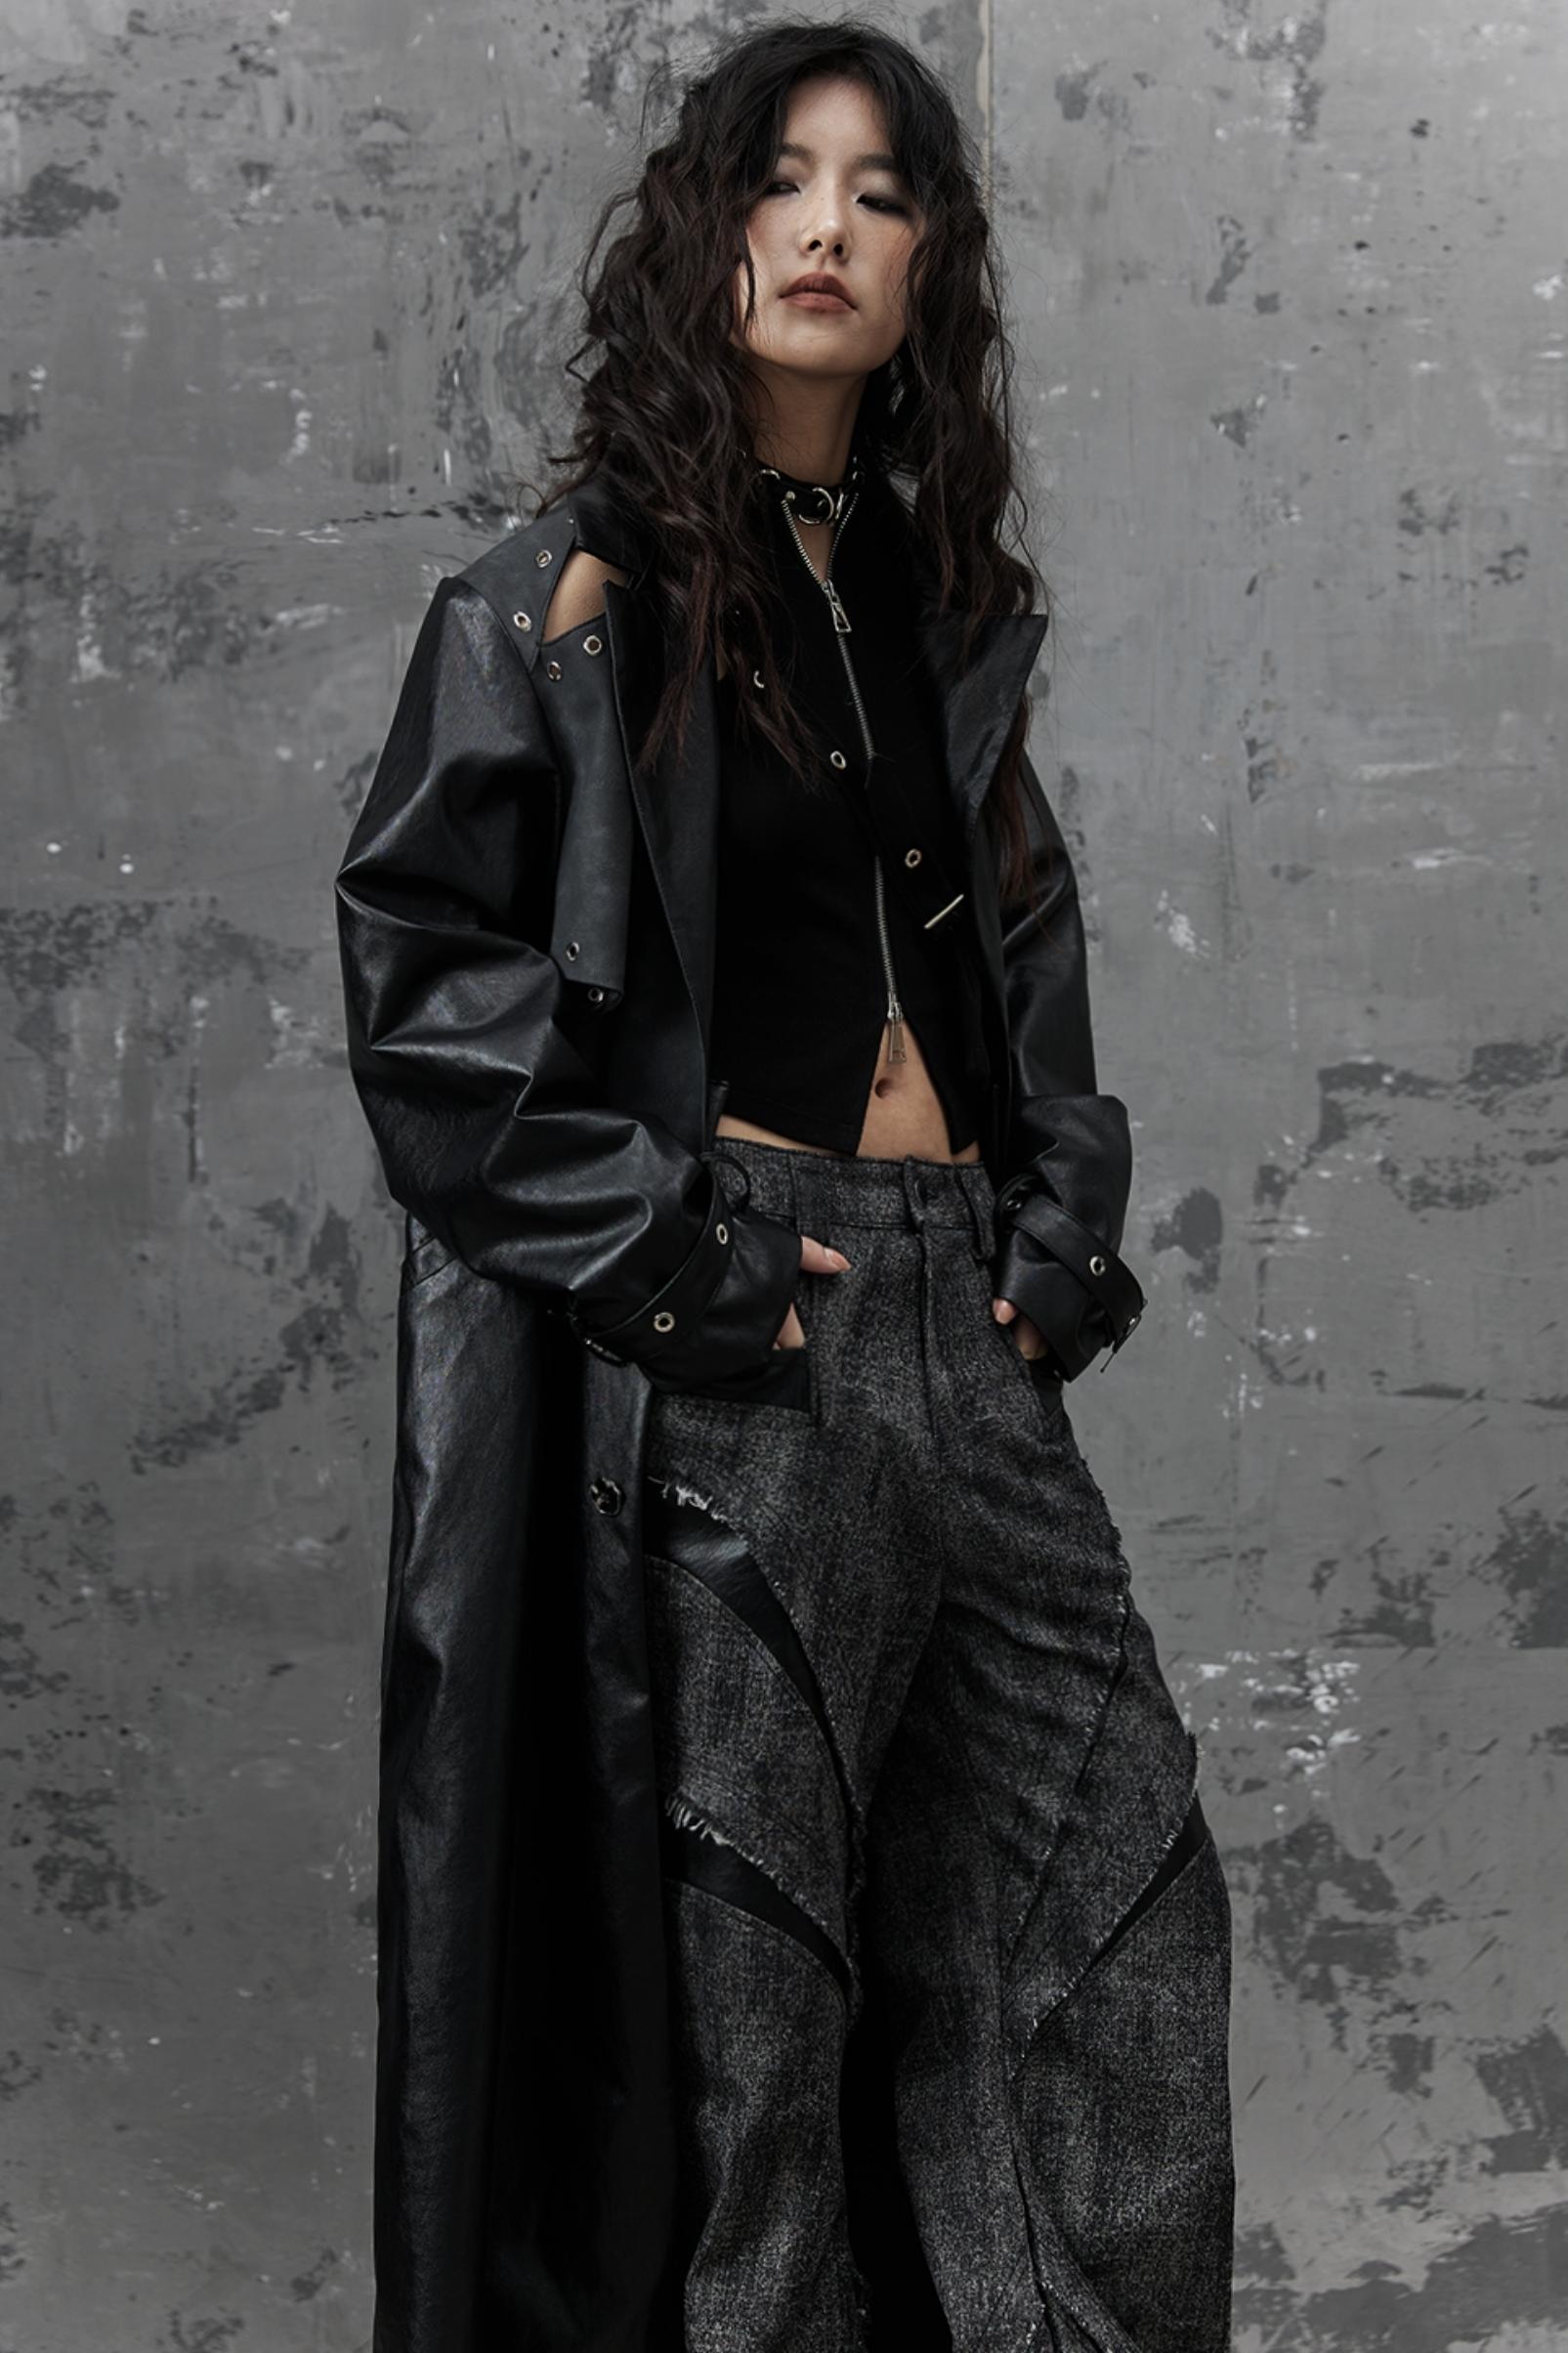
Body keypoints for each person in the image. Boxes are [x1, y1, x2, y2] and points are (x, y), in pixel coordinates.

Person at [335, 20, 1235, 2352]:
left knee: (1108, 1922)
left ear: (928, 267)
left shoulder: (929, 605)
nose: (826, 227)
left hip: (968, 1331)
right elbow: (426, 993)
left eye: (880, 192)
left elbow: (1014, 967)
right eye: (780, 179)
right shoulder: (567, 597)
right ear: (704, 229)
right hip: (756, 1328)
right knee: (757, 2016)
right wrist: (676, 1265)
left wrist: (1054, 1234)